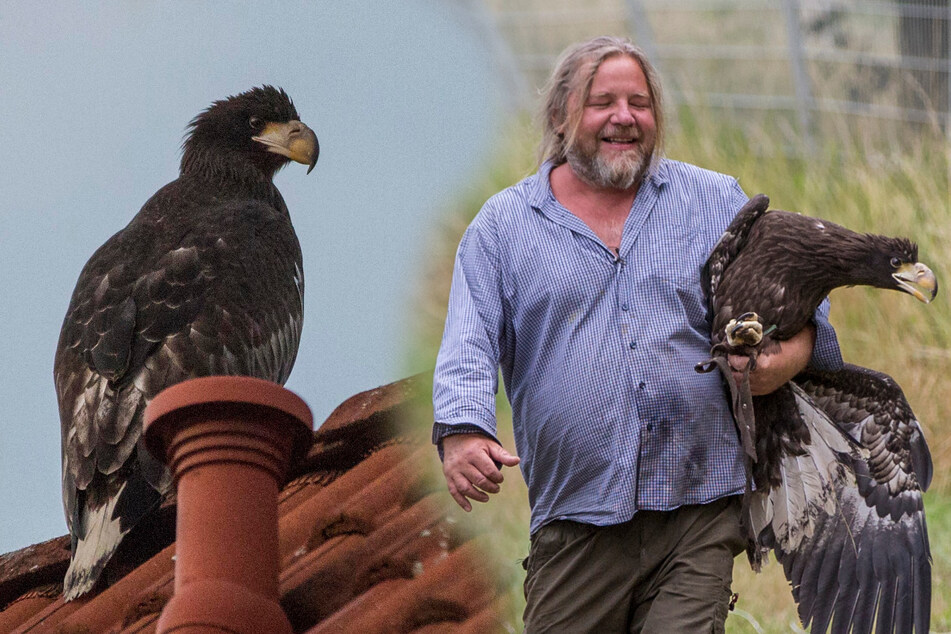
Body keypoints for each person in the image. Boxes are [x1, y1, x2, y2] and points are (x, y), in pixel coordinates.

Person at [432, 36, 842, 633]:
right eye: (603, 102)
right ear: (559, 115)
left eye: (640, 103)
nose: (624, 118)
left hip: (699, 509)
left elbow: (802, 305)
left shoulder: (712, 201)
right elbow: (469, 341)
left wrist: (787, 356)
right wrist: (463, 431)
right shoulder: (503, 228)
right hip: (577, 517)